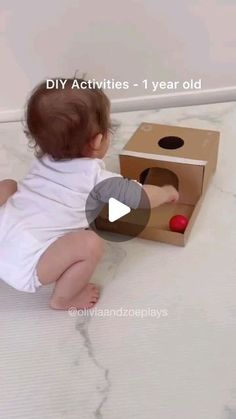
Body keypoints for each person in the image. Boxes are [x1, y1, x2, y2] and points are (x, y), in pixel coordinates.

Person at [0, 79, 179, 310]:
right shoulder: (96, 180)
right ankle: (64, 299)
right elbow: (141, 198)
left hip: (5, 235)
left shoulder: (42, 161)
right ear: (97, 141)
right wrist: (165, 192)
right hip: (28, 265)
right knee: (90, 244)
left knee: (8, 186)